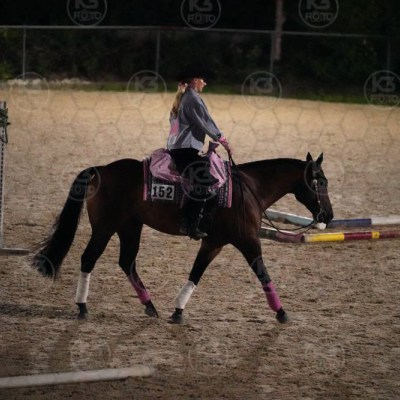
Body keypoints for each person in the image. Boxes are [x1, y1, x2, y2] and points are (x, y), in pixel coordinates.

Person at [167, 64, 232, 239]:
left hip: (179, 149)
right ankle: (188, 223)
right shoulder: (192, 99)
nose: (205, 83)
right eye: (203, 80)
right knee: (205, 181)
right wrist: (223, 140)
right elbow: (206, 122)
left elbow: (174, 127)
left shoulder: (182, 98)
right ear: (195, 80)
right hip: (185, 151)